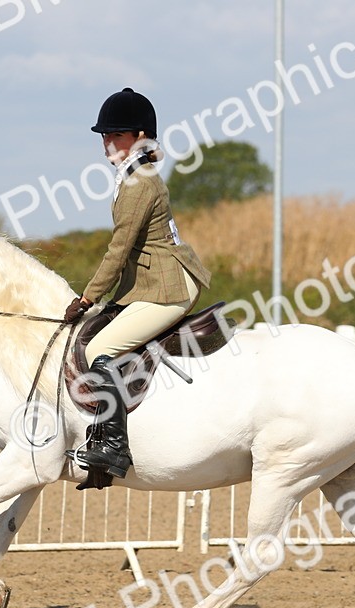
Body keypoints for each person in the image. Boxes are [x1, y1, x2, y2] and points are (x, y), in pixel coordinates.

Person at [63, 87, 212, 481]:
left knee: (101, 347)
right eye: (105, 136)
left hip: (168, 285)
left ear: (141, 137)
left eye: (117, 136)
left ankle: (113, 446)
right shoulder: (134, 174)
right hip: (151, 281)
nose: (107, 144)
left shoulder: (138, 183)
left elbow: (118, 250)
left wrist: (88, 296)